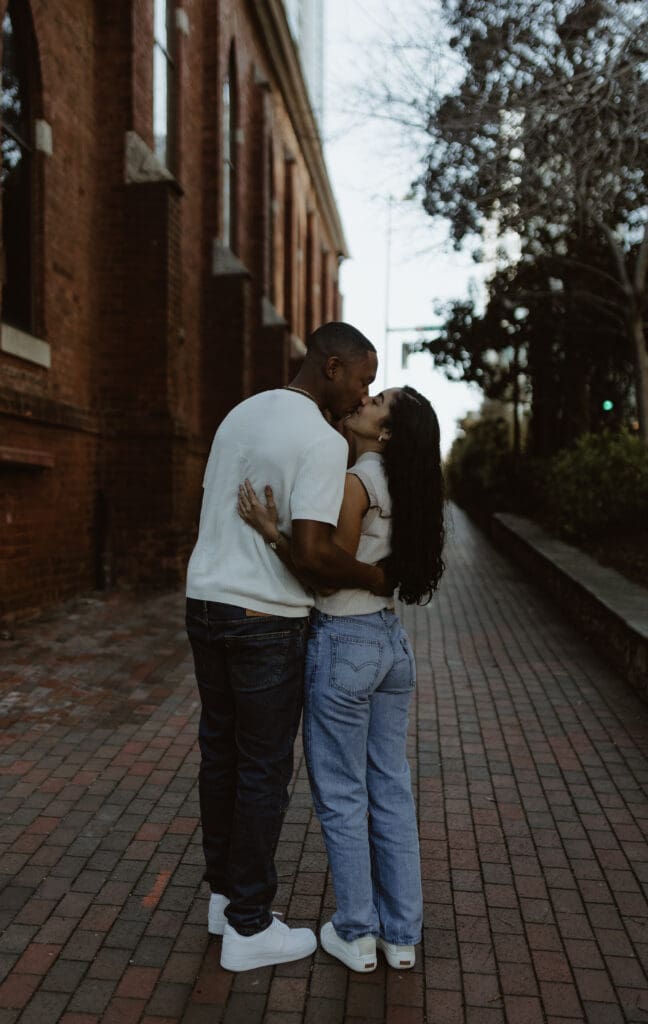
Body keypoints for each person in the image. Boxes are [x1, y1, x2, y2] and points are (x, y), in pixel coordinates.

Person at [185, 322, 391, 973]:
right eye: (363, 378)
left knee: (220, 753)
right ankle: (249, 926)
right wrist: (377, 577)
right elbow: (313, 555)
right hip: (266, 618)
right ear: (331, 366)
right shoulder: (322, 441)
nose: (364, 394)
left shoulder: (242, 412)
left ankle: (224, 901)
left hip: (205, 601)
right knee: (263, 768)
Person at [237, 384, 445, 973]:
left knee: (343, 795)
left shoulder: (360, 481)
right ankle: (401, 935)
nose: (363, 400)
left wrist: (272, 530)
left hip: (346, 643)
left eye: (377, 402)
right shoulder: (412, 486)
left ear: (385, 434)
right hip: (389, 646)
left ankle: (355, 934)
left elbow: (325, 573)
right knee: (392, 791)